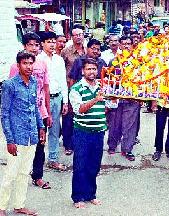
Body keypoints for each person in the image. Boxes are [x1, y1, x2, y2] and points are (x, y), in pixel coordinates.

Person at [0, 51, 46, 216]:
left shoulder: (34, 82)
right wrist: (9, 140)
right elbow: (4, 114)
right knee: (10, 174)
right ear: (18, 65)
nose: (28, 66)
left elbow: (35, 108)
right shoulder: (9, 85)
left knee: (24, 173)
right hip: (16, 138)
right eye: (25, 63)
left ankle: (19, 205)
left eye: (31, 63)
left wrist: (41, 128)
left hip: (31, 136)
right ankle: (2, 207)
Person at [9, 33, 52, 189]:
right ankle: (18, 177)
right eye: (31, 45)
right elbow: (12, 93)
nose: (34, 48)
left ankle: (38, 176)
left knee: (40, 145)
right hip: (22, 115)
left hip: (39, 112)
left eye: (36, 45)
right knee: (21, 148)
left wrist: (48, 112)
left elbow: (46, 88)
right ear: (24, 46)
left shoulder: (42, 64)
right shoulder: (16, 67)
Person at [69, 58, 107, 209]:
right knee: (80, 165)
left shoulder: (102, 86)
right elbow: (79, 110)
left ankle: (91, 194)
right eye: (88, 69)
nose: (91, 71)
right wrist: (95, 100)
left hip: (98, 131)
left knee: (94, 165)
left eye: (94, 69)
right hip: (82, 132)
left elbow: (109, 105)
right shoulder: (77, 88)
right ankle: (78, 197)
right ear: (82, 71)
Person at [37, 31, 69, 171]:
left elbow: (63, 81)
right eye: (48, 41)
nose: (52, 44)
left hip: (57, 98)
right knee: (40, 130)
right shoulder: (38, 60)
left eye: (53, 41)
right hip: (41, 100)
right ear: (42, 43)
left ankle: (53, 159)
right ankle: (36, 162)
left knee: (55, 130)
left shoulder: (59, 60)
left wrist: (65, 101)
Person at [107, 36, 139, 161]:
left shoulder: (138, 62)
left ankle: (127, 149)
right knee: (114, 123)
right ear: (119, 45)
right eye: (124, 43)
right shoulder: (114, 61)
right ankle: (112, 145)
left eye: (129, 44)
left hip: (132, 98)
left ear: (132, 46)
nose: (126, 46)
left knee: (130, 125)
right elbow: (108, 80)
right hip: (117, 97)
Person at [61, 27, 86, 155]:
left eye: (81, 34)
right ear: (71, 37)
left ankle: (79, 142)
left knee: (80, 116)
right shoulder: (66, 52)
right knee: (68, 117)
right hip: (70, 88)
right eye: (76, 35)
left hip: (84, 89)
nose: (78, 37)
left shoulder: (87, 51)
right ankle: (68, 144)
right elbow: (61, 69)